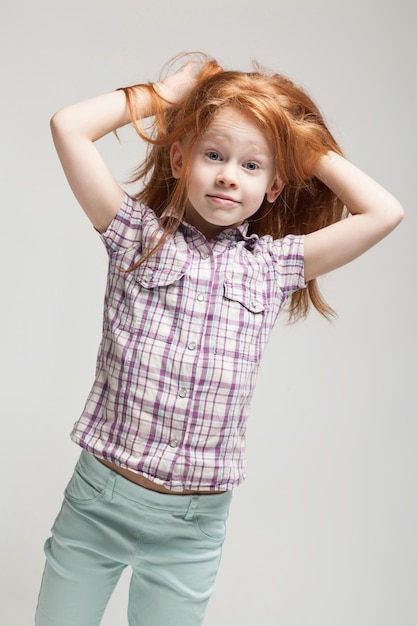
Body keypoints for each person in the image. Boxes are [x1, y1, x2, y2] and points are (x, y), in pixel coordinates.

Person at [35, 54, 404, 626]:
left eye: (253, 165)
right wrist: (164, 93)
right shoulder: (136, 237)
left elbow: (385, 212)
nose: (230, 174)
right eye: (214, 155)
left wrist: (304, 144)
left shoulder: (274, 267)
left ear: (276, 185)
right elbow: (69, 126)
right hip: (99, 501)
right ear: (181, 160)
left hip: (193, 527)